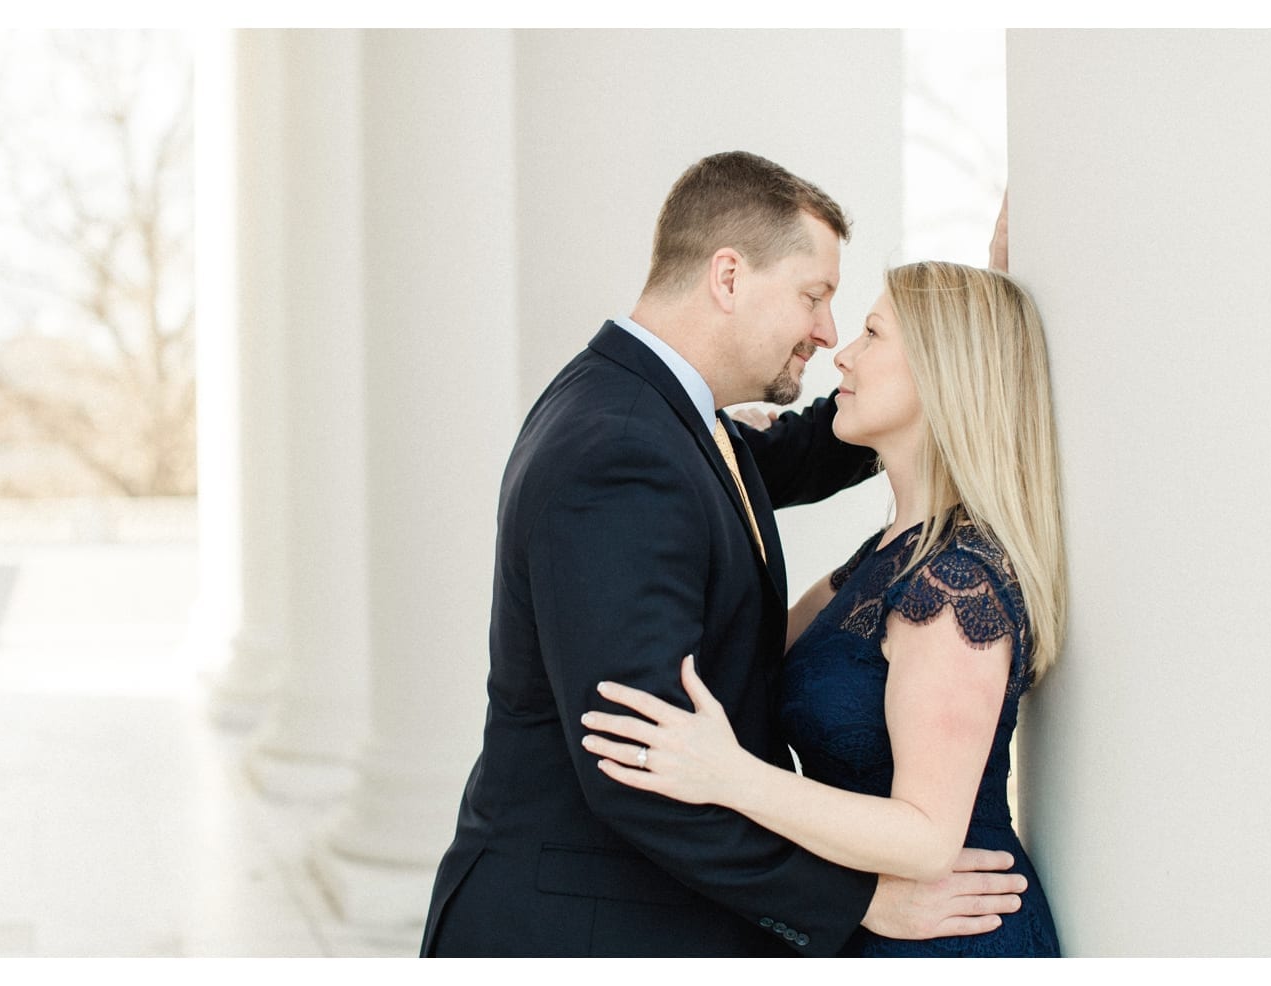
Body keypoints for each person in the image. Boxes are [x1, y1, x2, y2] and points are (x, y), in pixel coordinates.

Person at [420, 152, 1028, 957]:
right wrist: (853, 902)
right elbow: (637, 760)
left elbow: (824, 441)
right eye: (814, 296)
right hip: (586, 932)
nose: (828, 333)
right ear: (729, 277)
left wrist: (974, 328)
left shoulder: (665, 415)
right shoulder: (622, 452)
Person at [580, 258, 1065, 956]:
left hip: (949, 934)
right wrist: (717, 457)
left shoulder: (959, 581)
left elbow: (927, 839)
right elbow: (748, 658)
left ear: (940, 373)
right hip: (873, 925)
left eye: (871, 334)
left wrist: (732, 777)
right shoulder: (883, 558)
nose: (844, 353)